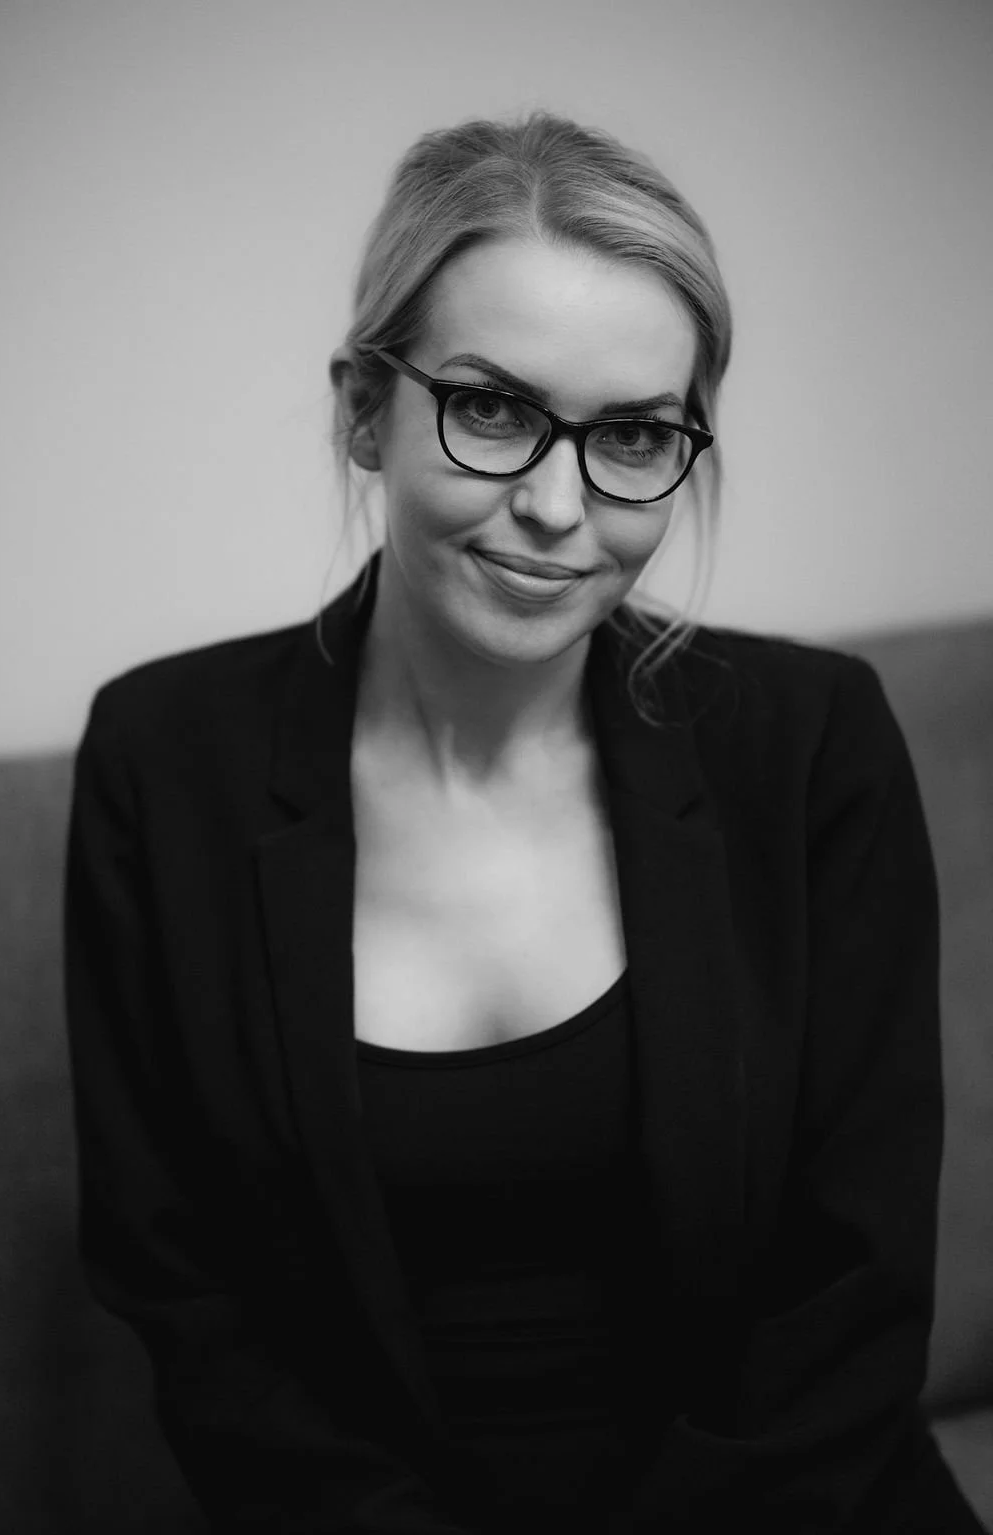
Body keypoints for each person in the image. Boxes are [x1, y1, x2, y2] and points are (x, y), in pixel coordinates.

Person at [62, 111, 985, 1535]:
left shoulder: (809, 746)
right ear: (363, 407)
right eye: (490, 406)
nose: (559, 507)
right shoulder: (160, 761)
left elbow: (854, 1286)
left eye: (630, 435)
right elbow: (181, 1288)